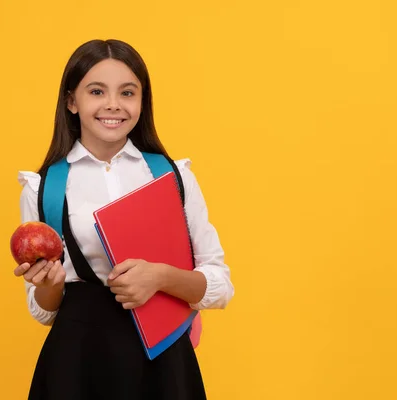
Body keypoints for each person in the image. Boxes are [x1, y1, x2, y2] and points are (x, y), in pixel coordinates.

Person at [14, 39, 234, 400]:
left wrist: (161, 277)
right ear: (72, 101)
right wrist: (49, 283)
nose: (113, 104)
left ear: (142, 101)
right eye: (96, 91)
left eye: (127, 92)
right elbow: (45, 311)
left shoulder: (172, 177)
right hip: (78, 363)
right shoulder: (44, 188)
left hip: (162, 363)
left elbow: (220, 285)